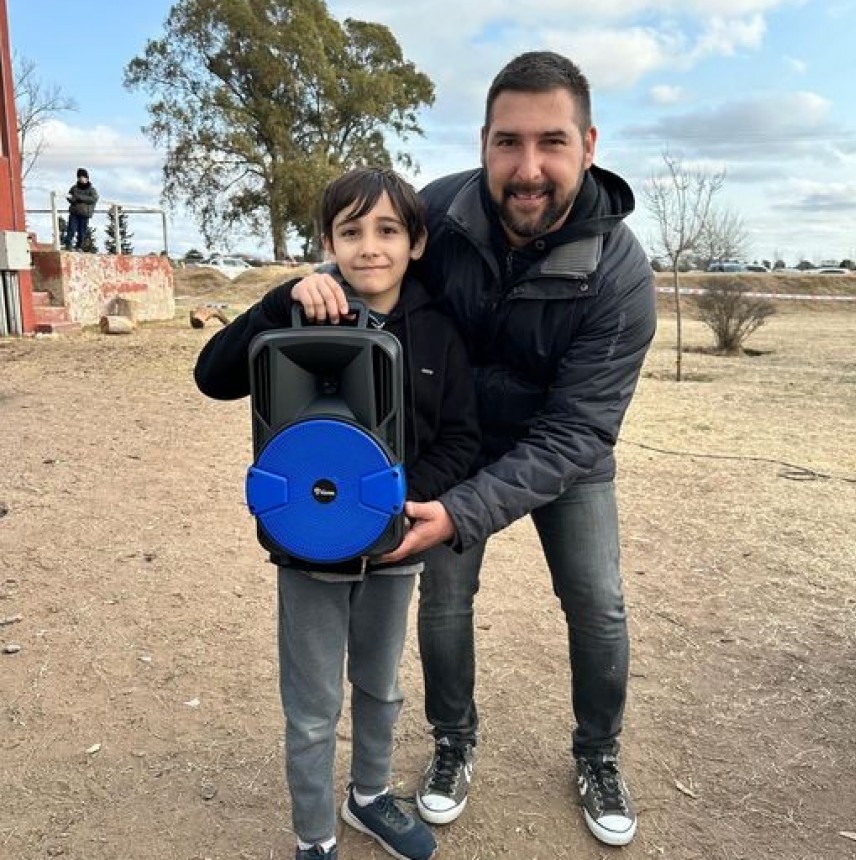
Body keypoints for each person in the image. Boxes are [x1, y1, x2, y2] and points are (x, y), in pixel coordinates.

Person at [294, 51, 657, 848]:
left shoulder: (622, 273)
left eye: (552, 142)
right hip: (455, 450)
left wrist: (465, 511)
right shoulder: (441, 211)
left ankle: (598, 754)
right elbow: (368, 253)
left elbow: (581, 426)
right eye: (508, 142)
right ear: (484, 141)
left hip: (565, 455)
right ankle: (453, 744)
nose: (528, 168)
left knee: (598, 604)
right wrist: (313, 282)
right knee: (446, 601)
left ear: (588, 144)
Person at [194, 167, 481, 860]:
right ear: (328, 240)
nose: (369, 247)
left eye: (388, 230)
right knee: (313, 706)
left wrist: (405, 502)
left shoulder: (440, 332)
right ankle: (314, 837)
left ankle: (371, 797)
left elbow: (464, 439)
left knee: (380, 686)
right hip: (307, 550)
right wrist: (276, 300)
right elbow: (212, 376)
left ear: (415, 243)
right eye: (350, 231)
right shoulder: (301, 310)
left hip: (394, 548)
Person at [62, 168, 99, 251]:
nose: (81, 178)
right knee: (71, 229)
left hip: (85, 214)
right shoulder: (74, 188)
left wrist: (80, 198)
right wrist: (73, 200)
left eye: (83, 177)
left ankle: (79, 246)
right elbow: (69, 197)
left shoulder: (91, 189)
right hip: (74, 212)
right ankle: (68, 245)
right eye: (79, 177)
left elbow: (94, 198)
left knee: (82, 232)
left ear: (87, 178)